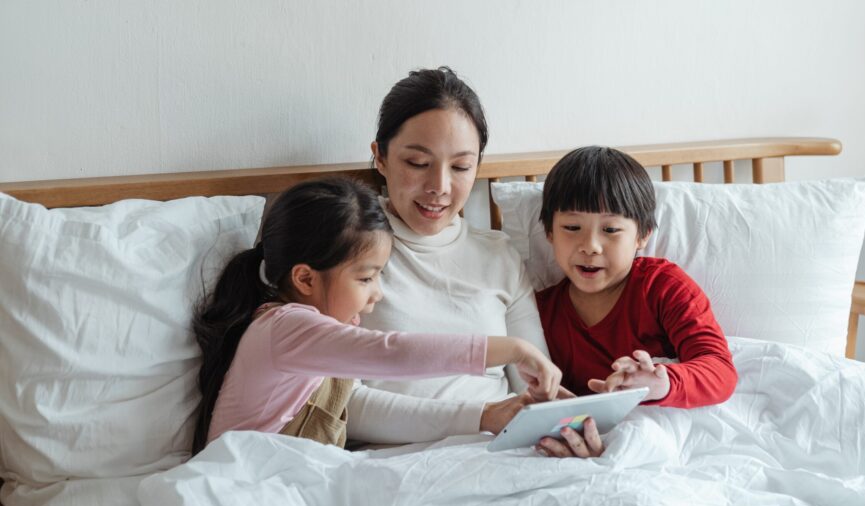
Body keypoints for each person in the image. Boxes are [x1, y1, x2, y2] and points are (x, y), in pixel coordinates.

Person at [191, 177, 561, 454]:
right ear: (304, 278)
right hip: (241, 483)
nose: (377, 294)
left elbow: (373, 388)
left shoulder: (310, 336)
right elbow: (392, 352)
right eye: (366, 278)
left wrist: (486, 414)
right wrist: (512, 349)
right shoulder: (287, 328)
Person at [348, 67, 556, 445]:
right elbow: (345, 408)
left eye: (460, 167)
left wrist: (566, 423)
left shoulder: (499, 256)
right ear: (380, 157)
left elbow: (538, 387)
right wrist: (480, 417)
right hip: (396, 463)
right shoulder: (346, 255)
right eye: (417, 163)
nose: (439, 188)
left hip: (503, 452)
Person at [533, 146, 738, 458]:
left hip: (668, 433)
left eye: (611, 230)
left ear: (642, 235)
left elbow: (720, 372)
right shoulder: (538, 313)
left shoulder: (662, 286)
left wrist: (661, 383)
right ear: (549, 232)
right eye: (572, 228)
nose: (590, 246)